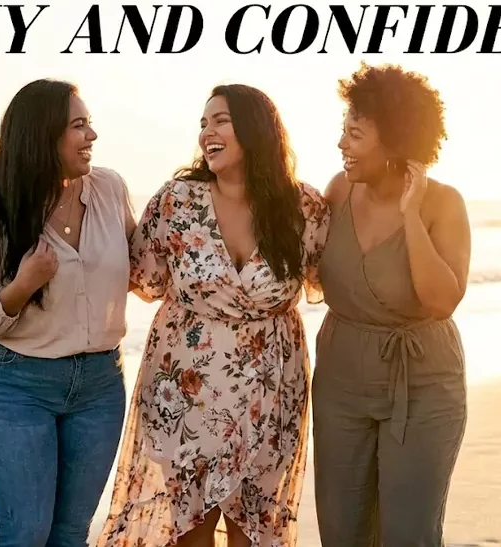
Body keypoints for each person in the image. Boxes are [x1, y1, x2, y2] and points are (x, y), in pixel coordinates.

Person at [97, 84, 330, 547]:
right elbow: (140, 276)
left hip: (271, 392)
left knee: (255, 529)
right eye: (204, 124)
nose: (208, 133)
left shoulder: (303, 207)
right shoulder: (176, 202)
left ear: (256, 129)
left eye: (220, 120)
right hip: (187, 389)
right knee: (190, 529)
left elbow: (332, 281)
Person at [0, 79, 135, 547]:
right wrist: (21, 287)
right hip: (12, 386)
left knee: (71, 536)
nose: (91, 136)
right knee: (22, 533)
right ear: (42, 135)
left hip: (98, 385)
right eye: (78, 126)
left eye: (89, 124)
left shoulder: (109, 189)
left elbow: (146, 264)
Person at [311, 61, 472, 545]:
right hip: (341, 376)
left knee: (408, 533)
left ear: (396, 142)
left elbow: (442, 300)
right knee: (342, 529)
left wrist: (411, 217)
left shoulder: (444, 203)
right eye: (343, 130)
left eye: (355, 134)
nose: (342, 144)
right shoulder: (338, 191)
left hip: (422, 382)